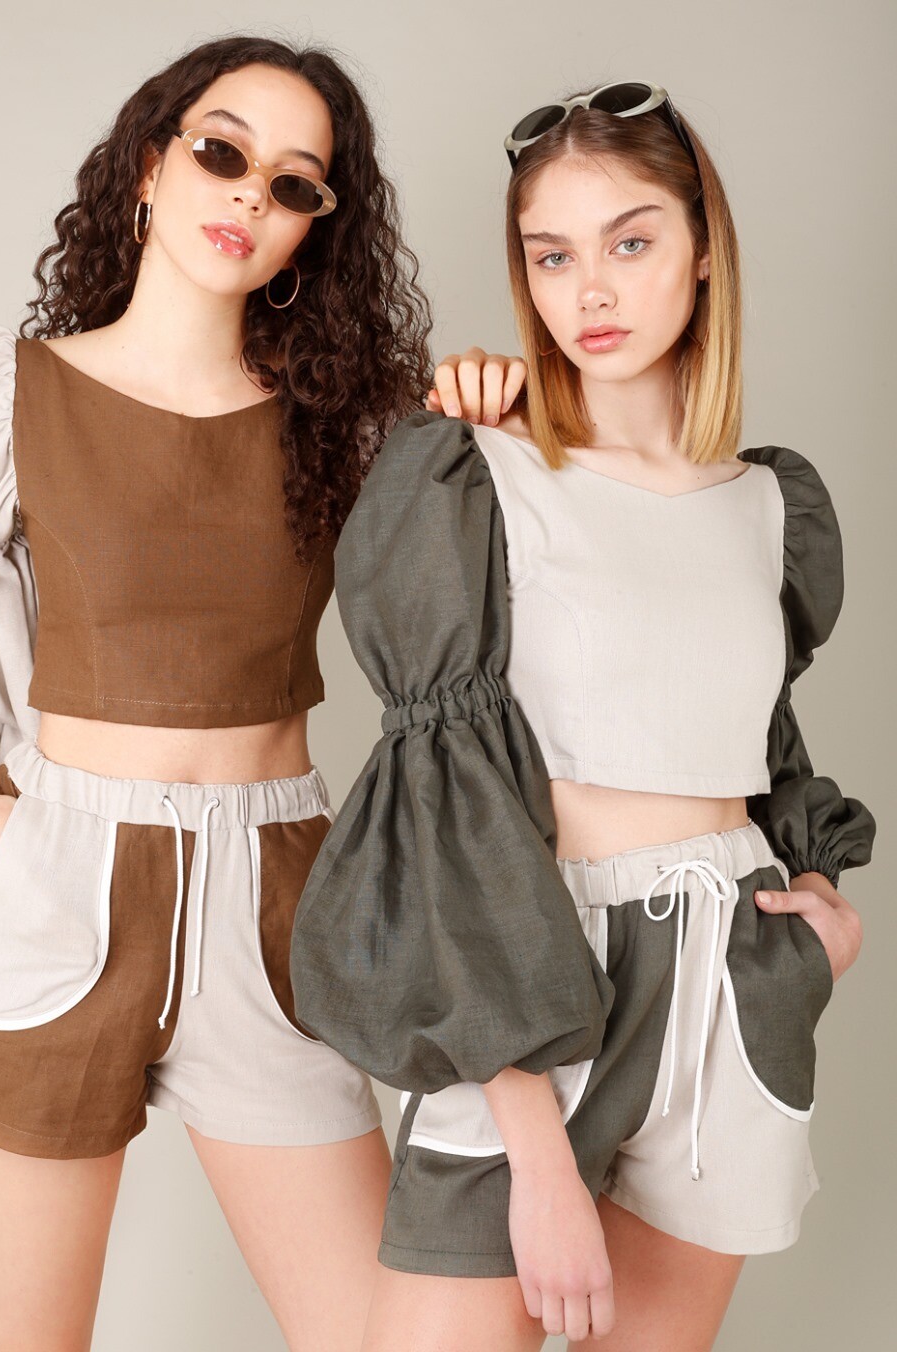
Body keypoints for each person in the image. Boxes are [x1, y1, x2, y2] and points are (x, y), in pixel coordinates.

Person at [0, 35, 446, 1352]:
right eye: (223, 152)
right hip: (60, 883)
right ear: (150, 170)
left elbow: (481, 622)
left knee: (378, 1334)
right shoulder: (20, 388)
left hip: (274, 898)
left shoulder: (350, 427)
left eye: (294, 184)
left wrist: (494, 419)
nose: (249, 195)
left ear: (313, 231)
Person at [292, 80, 875, 1349]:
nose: (590, 290)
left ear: (703, 249)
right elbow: (443, 799)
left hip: (732, 984)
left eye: (630, 241)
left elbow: (761, 732)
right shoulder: (472, 471)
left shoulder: (772, 504)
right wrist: (536, 1144)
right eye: (552, 255)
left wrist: (819, 915)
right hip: (535, 980)